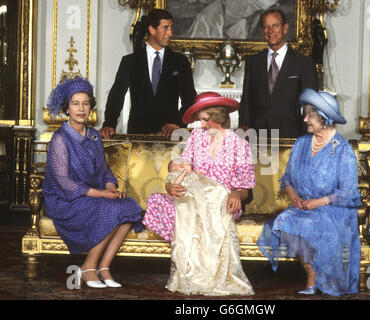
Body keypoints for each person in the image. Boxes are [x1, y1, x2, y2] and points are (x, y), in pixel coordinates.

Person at [142, 91, 255, 296]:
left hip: (222, 200)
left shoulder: (240, 144)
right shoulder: (196, 137)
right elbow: (181, 169)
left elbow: (244, 188)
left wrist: (237, 195)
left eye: (205, 120)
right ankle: (192, 270)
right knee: (158, 200)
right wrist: (171, 187)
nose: (202, 125)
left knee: (211, 207)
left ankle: (209, 275)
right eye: (200, 120)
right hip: (193, 195)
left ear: (218, 117)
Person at [257, 88, 361, 296]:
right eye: (305, 114)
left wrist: (318, 202)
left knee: (310, 225)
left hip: (333, 209)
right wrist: (294, 196)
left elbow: (348, 192)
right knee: (285, 221)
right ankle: (313, 277)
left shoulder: (340, 149)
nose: (305, 120)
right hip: (303, 207)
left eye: (310, 116)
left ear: (324, 117)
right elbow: (287, 178)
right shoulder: (302, 143)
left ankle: (314, 280)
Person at [43, 78, 144, 289]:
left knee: (129, 207)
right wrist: (100, 195)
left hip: (93, 193)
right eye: (75, 103)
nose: (81, 108)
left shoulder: (95, 136)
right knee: (109, 209)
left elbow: (104, 170)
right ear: (66, 108)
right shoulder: (60, 138)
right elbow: (63, 182)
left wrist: (109, 186)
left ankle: (104, 267)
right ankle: (88, 267)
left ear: (91, 107)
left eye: (86, 103)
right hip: (66, 200)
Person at [100, 9, 197, 139]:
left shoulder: (181, 62)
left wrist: (178, 123)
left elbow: (190, 98)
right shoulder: (130, 61)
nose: (170, 33)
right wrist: (109, 123)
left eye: (171, 28)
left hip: (170, 136)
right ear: (152, 30)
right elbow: (117, 95)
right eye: (165, 28)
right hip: (137, 135)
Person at [239, 8, 319, 138]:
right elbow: (246, 102)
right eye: (266, 27)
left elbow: (310, 105)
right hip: (258, 137)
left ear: (285, 28)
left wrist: (307, 137)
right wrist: (244, 133)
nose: (270, 31)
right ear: (262, 31)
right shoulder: (253, 63)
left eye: (275, 26)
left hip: (290, 135)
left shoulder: (304, 63)